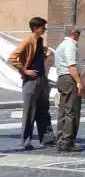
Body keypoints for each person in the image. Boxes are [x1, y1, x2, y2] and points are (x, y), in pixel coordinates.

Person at [8, 17, 55, 150]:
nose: (44, 30)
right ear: (35, 28)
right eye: (42, 27)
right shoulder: (28, 40)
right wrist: (25, 70)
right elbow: (12, 58)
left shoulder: (39, 40)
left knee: (43, 110)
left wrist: (45, 54)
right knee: (29, 111)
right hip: (31, 80)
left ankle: (47, 138)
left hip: (42, 79)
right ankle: (25, 140)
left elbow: (38, 56)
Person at [54, 27, 84, 153]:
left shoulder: (61, 45)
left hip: (62, 78)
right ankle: (68, 142)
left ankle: (61, 140)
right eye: (78, 34)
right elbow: (72, 66)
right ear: (74, 34)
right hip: (69, 79)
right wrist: (79, 82)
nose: (79, 36)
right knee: (72, 111)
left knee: (63, 111)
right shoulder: (70, 46)